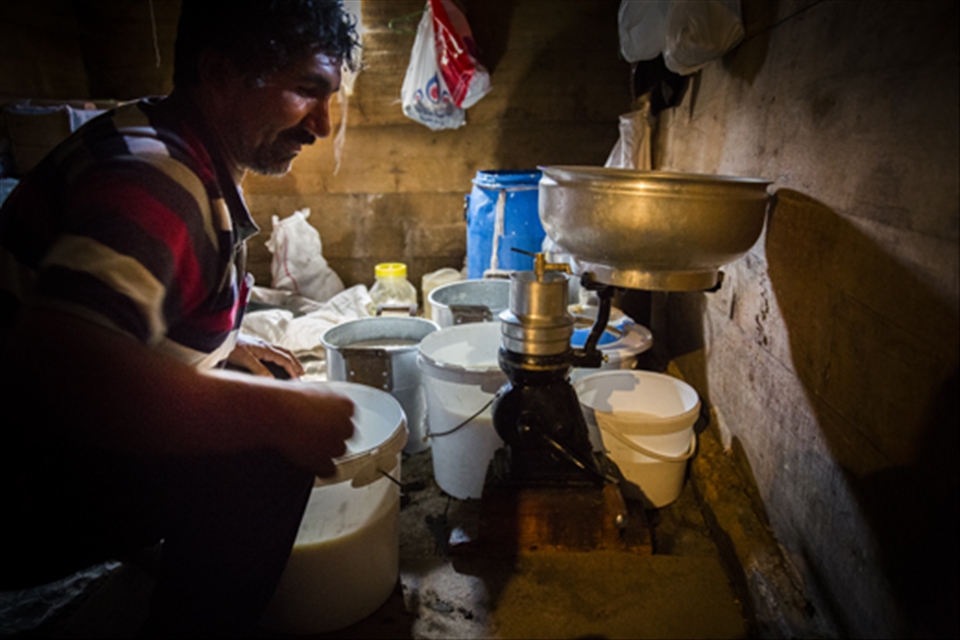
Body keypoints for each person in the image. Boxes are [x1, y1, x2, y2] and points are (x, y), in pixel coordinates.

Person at [0, 1, 362, 636]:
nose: (322, 125)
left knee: (264, 385)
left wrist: (224, 342)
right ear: (219, 72)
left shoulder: (165, 134)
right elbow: (60, 363)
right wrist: (276, 417)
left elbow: (132, 294)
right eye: (307, 91)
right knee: (267, 448)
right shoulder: (160, 177)